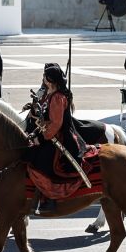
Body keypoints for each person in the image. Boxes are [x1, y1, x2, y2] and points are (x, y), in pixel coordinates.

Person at [25, 63, 87, 212]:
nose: (43, 79)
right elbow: (45, 118)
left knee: (41, 161)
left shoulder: (57, 97)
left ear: (50, 80)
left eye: (45, 77)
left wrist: (41, 138)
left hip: (60, 137)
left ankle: (51, 198)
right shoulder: (49, 94)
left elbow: (56, 124)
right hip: (49, 134)